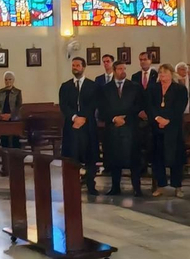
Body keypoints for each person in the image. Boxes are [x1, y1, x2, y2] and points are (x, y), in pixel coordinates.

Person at [98, 59, 144, 195]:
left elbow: (139, 106)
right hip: (113, 129)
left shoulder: (135, 87)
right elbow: (102, 108)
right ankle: (115, 187)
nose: (122, 71)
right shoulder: (106, 89)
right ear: (114, 70)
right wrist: (114, 118)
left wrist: (126, 118)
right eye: (119, 69)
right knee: (114, 159)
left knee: (134, 160)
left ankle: (137, 188)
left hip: (130, 128)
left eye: (124, 69)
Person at [59, 56, 100, 194]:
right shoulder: (65, 86)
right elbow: (64, 105)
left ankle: (90, 184)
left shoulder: (93, 85)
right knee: (72, 156)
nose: (75, 67)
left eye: (77, 65)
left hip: (87, 126)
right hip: (71, 126)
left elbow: (93, 104)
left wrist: (83, 118)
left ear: (83, 67)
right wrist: (75, 117)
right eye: (73, 65)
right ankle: (72, 184)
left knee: (90, 155)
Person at [148, 63, 188, 195]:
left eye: (165, 72)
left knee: (176, 158)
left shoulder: (180, 89)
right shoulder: (153, 89)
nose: (162, 75)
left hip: (173, 127)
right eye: (160, 73)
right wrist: (157, 118)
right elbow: (149, 106)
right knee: (158, 157)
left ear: (171, 74)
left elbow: (180, 107)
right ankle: (160, 185)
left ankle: (177, 186)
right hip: (157, 127)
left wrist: (168, 120)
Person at [0, 71, 23, 148]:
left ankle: (16, 156)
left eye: (10, 79)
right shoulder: (1, 92)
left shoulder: (17, 92)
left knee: (15, 138)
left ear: (13, 80)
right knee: (4, 138)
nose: (8, 81)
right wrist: (1, 114)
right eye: (6, 80)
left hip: (13, 118)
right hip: (3, 117)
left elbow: (19, 106)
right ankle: (5, 155)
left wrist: (11, 115)